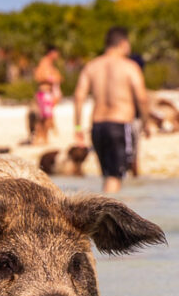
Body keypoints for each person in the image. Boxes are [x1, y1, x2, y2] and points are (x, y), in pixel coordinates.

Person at [73, 26, 151, 193]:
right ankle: (112, 215)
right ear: (122, 43)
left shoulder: (91, 67)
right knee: (116, 176)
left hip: (98, 126)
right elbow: (142, 98)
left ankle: (107, 209)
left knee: (108, 175)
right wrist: (146, 123)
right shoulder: (130, 67)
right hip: (120, 124)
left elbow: (79, 97)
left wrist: (78, 127)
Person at [34, 46, 63, 134]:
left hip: (48, 93)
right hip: (44, 92)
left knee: (45, 116)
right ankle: (40, 136)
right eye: (56, 53)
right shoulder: (44, 63)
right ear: (51, 53)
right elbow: (38, 76)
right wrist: (52, 79)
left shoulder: (50, 64)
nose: (57, 56)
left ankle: (44, 136)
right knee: (44, 117)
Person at [32, 79, 56, 145]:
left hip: (48, 112)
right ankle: (37, 139)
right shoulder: (39, 94)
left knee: (46, 127)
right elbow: (36, 103)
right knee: (39, 127)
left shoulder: (50, 94)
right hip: (40, 113)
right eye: (42, 85)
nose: (44, 87)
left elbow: (52, 103)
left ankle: (45, 139)